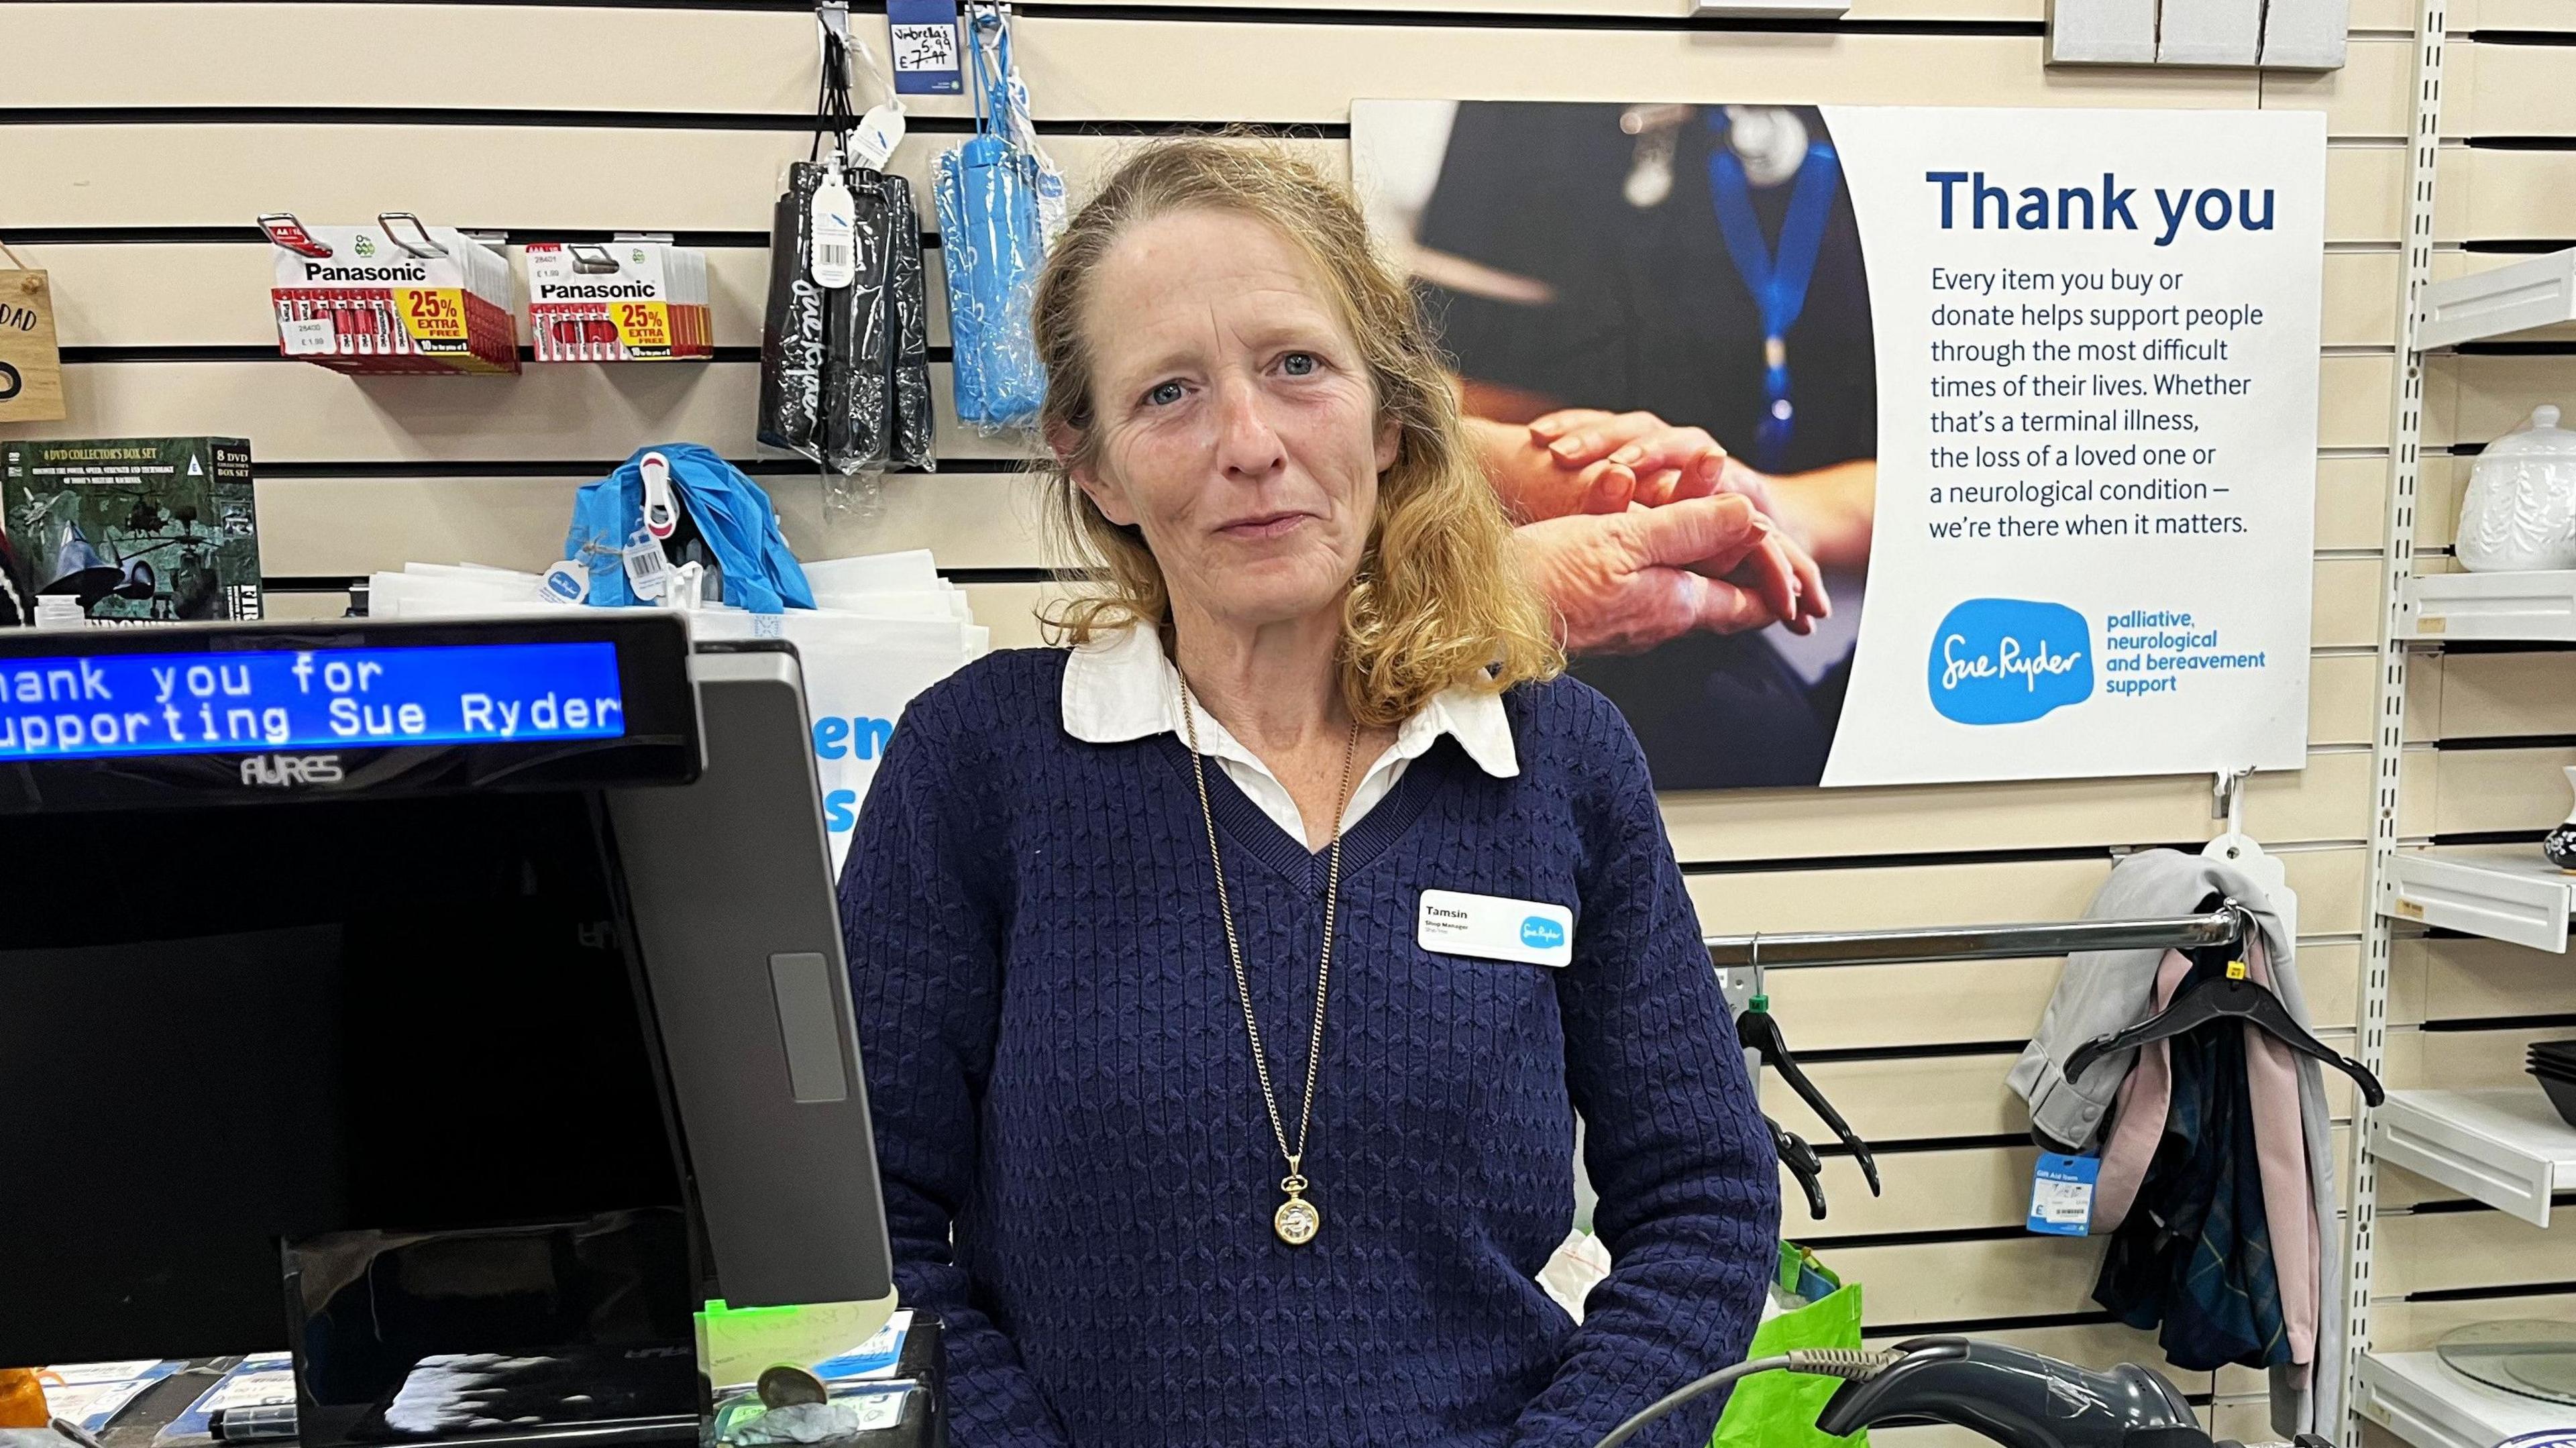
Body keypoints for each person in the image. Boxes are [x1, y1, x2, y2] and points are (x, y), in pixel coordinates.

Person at [838, 139, 1780, 1448]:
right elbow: (867, 1222)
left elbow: (1704, 1195)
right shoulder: (979, 765)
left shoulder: (1557, 760)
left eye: (1297, 366)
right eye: (1168, 392)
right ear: (1093, 461)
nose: (1250, 443)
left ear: (1387, 417)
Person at [1406, 101, 1881, 787]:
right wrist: (1592, 478)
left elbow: (1997, 459)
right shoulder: (1532, 104)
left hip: (1870, 596)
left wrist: (1776, 508)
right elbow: (1474, 381)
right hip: (1608, 570)